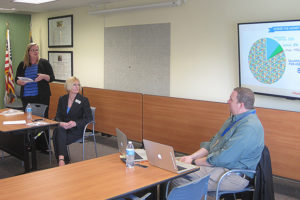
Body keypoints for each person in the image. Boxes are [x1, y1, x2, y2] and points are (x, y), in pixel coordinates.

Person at [169, 87, 264, 193]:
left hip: (233, 176)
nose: (228, 101)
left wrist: (193, 162)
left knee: (178, 177)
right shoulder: (233, 119)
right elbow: (212, 145)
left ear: (240, 105)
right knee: (171, 164)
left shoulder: (249, 127)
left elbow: (222, 158)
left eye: (231, 99)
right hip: (219, 167)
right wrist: (191, 157)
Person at [15, 43, 55, 152]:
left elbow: (51, 78)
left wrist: (43, 76)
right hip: (27, 97)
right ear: (28, 52)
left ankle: (44, 146)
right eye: (33, 50)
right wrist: (20, 82)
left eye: (37, 50)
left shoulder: (44, 63)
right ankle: (30, 144)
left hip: (42, 97)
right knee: (29, 121)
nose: (35, 52)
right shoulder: (22, 64)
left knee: (42, 121)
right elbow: (16, 79)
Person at [52, 76, 92, 166]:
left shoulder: (83, 100)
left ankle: (62, 160)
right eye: (74, 85)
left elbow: (89, 118)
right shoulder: (62, 99)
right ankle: (63, 160)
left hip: (76, 130)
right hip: (64, 128)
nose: (77, 87)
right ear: (69, 87)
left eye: (78, 85)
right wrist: (61, 123)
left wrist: (75, 123)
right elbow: (57, 116)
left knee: (57, 135)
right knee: (59, 130)